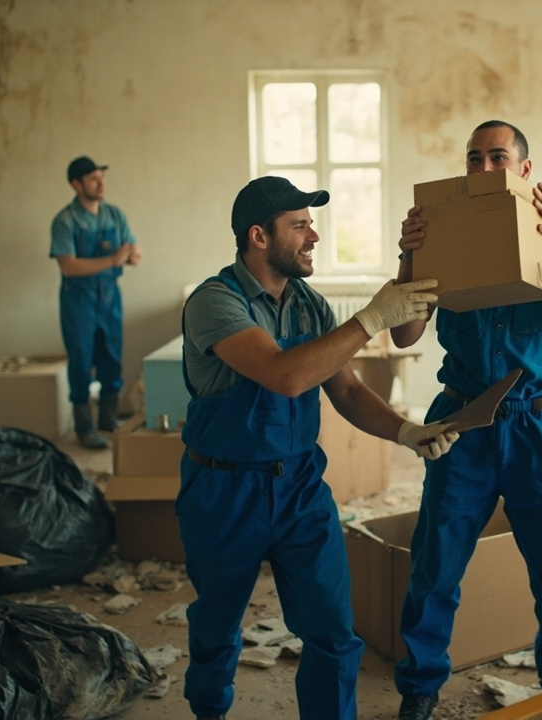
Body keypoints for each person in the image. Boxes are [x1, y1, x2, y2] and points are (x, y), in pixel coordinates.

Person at [177, 175, 459, 720]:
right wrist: (372, 318)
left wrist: (406, 432)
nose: (314, 237)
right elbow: (285, 376)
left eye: (312, 225)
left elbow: (346, 389)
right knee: (216, 630)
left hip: (301, 488)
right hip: (223, 491)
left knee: (333, 632)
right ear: (259, 237)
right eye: (300, 225)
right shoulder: (214, 303)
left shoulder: (310, 306)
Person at [390, 120, 542, 720]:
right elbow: (404, 332)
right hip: (463, 418)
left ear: (523, 170)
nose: (486, 169)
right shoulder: (441, 234)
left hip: (537, 424)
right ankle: (419, 689)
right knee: (435, 558)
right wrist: (410, 255)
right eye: (475, 159)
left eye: (499, 157)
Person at [50, 155, 142, 448]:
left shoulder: (114, 215)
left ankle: (107, 419)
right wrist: (113, 259)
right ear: (76, 184)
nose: (101, 183)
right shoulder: (65, 221)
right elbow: (69, 266)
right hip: (79, 300)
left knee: (111, 359)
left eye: (102, 177)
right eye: (93, 179)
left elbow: (134, 252)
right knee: (81, 361)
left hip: (110, 297)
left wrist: (131, 255)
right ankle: (84, 427)